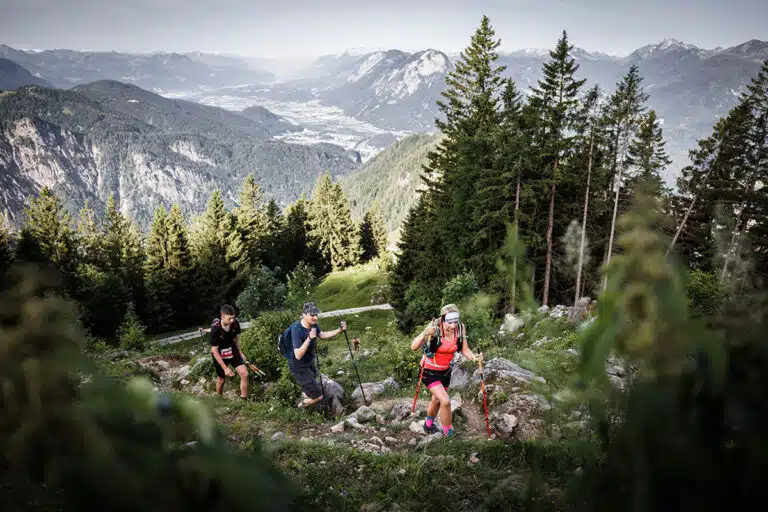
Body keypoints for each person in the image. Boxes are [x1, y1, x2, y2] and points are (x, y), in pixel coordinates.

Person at [411, 303, 483, 437]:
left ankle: (428, 425)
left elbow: (465, 350)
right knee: (445, 401)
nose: (453, 326)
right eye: (449, 322)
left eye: (455, 322)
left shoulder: (460, 329)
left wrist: (475, 358)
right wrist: (426, 333)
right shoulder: (434, 327)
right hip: (429, 371)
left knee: (437, 400)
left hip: (445, 372)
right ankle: (448, 435)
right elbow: (413, 347)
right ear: (443, 319)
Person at [285, 302, 347, 408]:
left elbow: (321, 334)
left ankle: (310, 410)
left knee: (310, 391)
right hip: (299, 367)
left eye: (316, 315)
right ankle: (298, 408)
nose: (315, 318)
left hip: (309, 364)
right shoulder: (296, 329)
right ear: (304, 314)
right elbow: (298, 355)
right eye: (312, 315)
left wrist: (339, 330)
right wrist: (309, 338)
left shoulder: (313, 325)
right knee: (318, 396)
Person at [209, 304, 248, 400]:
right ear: (222, 316)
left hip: (232, 349)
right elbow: (214, 351)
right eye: (229, 318)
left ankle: (244, 400)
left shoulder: (235, 323)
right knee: (222, 380)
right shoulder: (215, 329)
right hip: (219, 353)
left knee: (245, 374)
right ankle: (219, 399)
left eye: (233, 318)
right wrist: (225, 368)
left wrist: (240, 352)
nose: (232, 321)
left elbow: (235, 339)